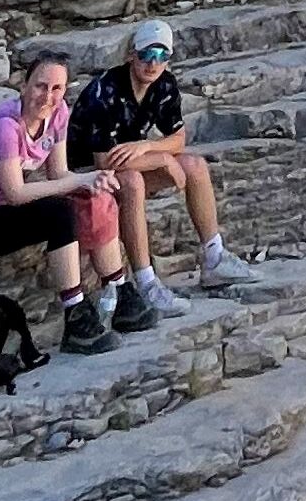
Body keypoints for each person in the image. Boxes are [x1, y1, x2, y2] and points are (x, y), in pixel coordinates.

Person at [0, 49, 146, 354]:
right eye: (40, 86)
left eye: (56, 88)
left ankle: (118, 291)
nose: (47, 96)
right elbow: (15, 193)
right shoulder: (6, 126)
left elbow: (59, 173)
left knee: (94, 197)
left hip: (5, 209)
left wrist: (91, 184)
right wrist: (81, 180)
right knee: (59, 212)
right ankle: (76, 316)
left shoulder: (59, 113)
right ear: (24, 86)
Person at [68, 16, 253, 313]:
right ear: (132, 55)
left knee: (194, 165)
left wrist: (151, 146)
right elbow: (105, 161)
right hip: (85, 175)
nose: (152, 64)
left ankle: (214, 256)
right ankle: (146, 282)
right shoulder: (103, 93)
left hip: (129, 160)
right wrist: (162, 160)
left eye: (161, 56)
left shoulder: (163, 85)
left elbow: (178, 137)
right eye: (146, 56)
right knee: (131, 182)